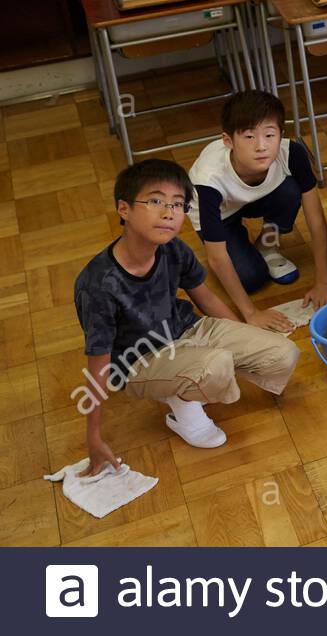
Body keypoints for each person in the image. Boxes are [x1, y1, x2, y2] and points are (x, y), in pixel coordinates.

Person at [74, 160, 300, 468]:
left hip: (189, 330)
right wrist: (94, 436)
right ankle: (181, 404)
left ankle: (196, 375)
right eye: (155, 201)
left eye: (178, 204)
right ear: (123, 209)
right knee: (215, 366)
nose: (169, 212)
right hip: (137, 362)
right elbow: (99, 366)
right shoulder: (98, 285)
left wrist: (243, 338)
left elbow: (205, 297)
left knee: (283, 352)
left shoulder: (173, 249)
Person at [188, 91, 327, 330]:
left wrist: (323, 281)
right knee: (251, 279)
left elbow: (315, 218)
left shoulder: (291, 153)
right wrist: (251, 313)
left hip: (261, 196)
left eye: (269, 134)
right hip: (223, 213)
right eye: (248, 137)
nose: (261, 146)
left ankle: (267, 244)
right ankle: (241, 242)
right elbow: (216, 257)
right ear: (228, 141)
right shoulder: (208, 180)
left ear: (280, 135)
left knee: (289, 190)